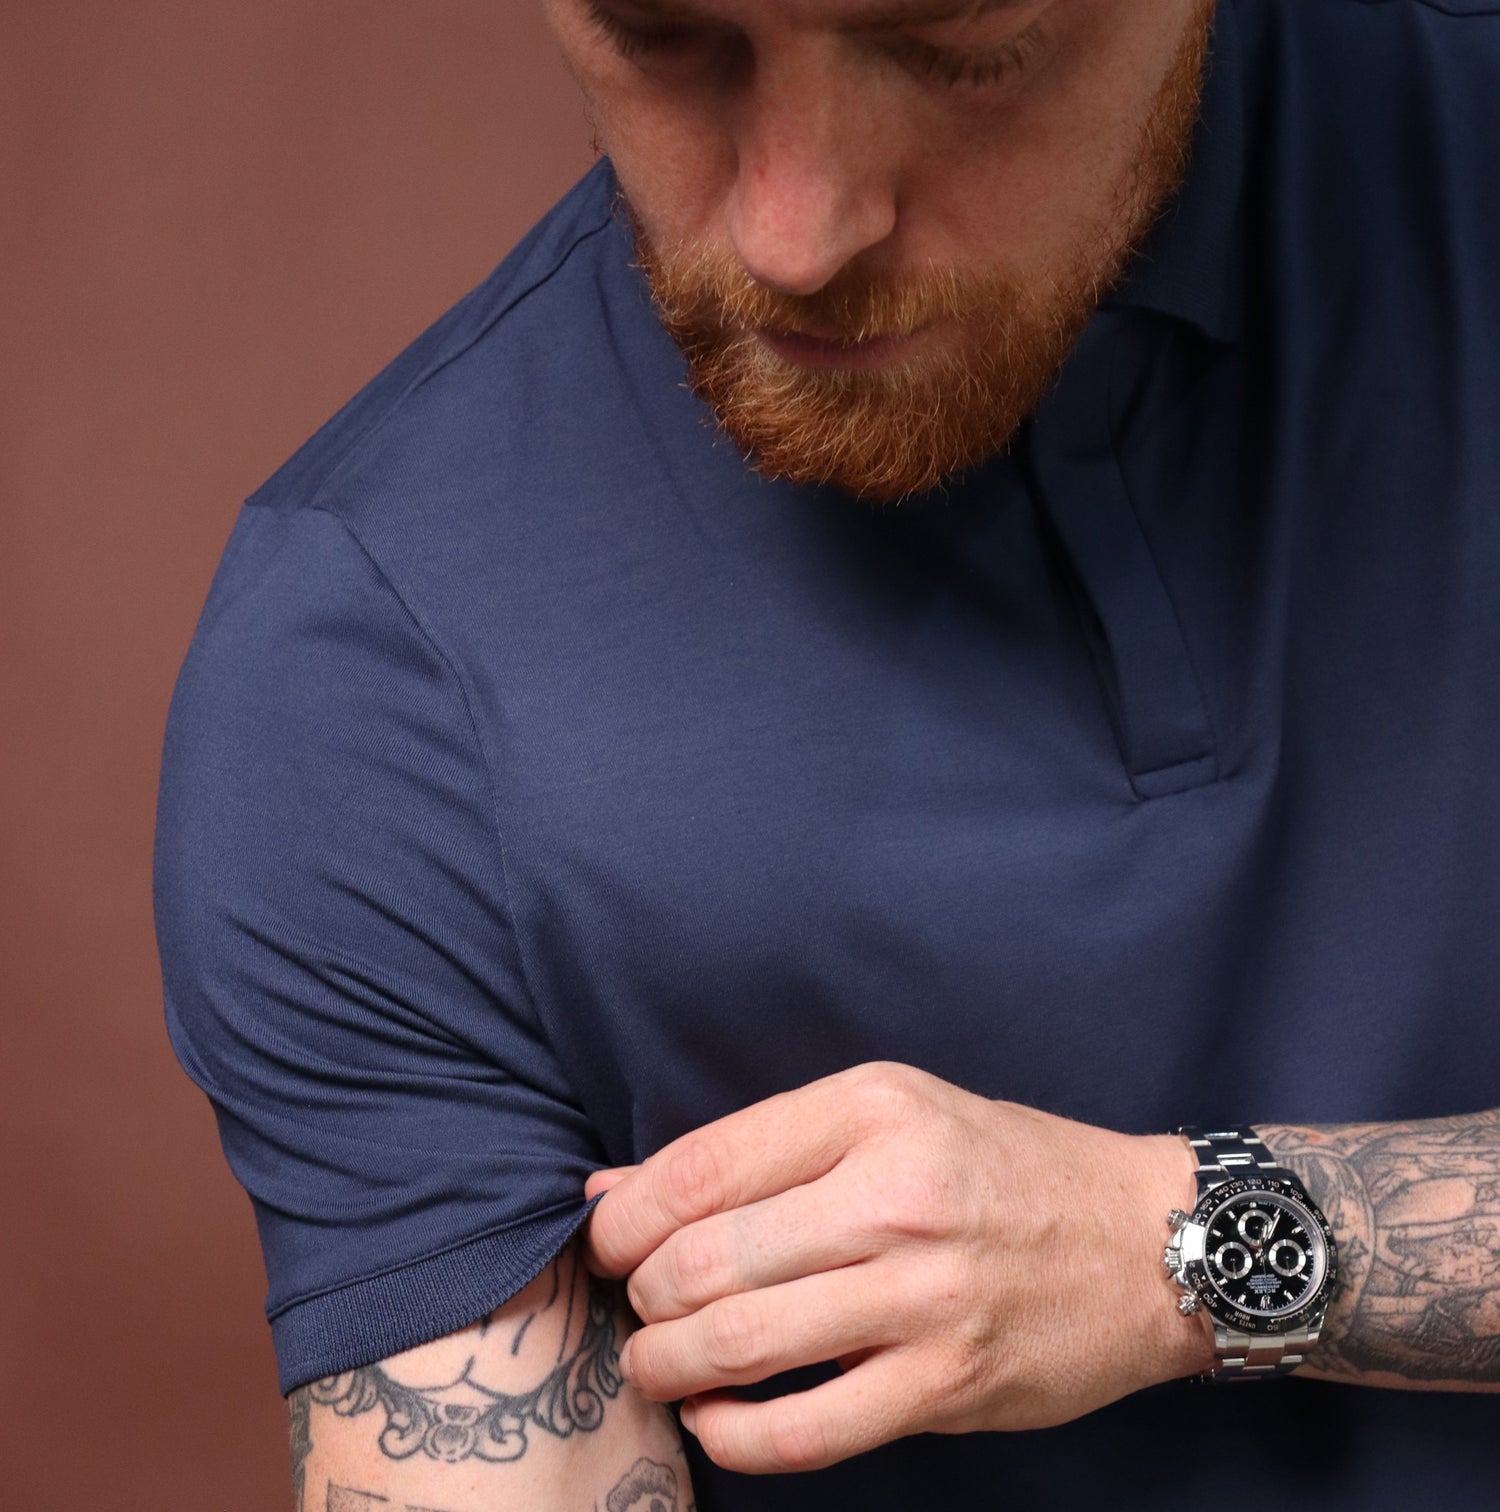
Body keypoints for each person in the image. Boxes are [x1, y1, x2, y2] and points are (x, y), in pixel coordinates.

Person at [154, 1, 1500, 1508]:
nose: (794, 235)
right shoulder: (370, 677)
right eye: (660, 33)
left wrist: (1168, 1250)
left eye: (960, 44)